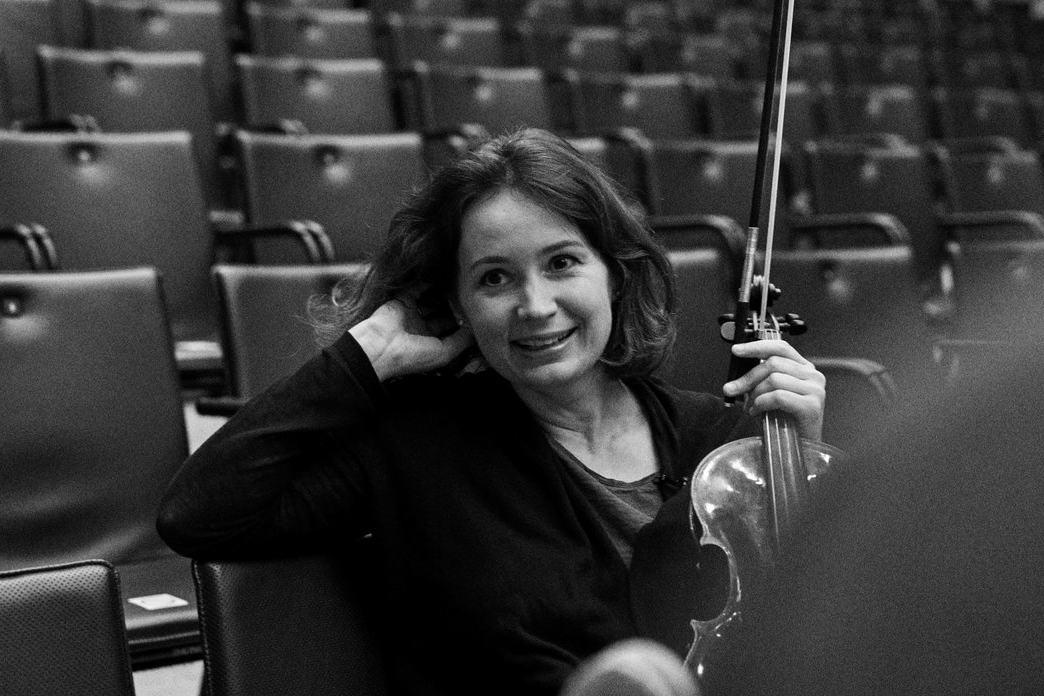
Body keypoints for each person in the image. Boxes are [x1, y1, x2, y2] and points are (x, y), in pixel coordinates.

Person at [157, 127, 826, 696]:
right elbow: (200, 514)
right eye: (495, 278)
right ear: (456, 304)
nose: (534, 306)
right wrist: (366, 356)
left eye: (562, 262)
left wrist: (802, 464)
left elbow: (809, 629)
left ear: (614, 275)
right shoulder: (416, 447)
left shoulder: (712, 436)